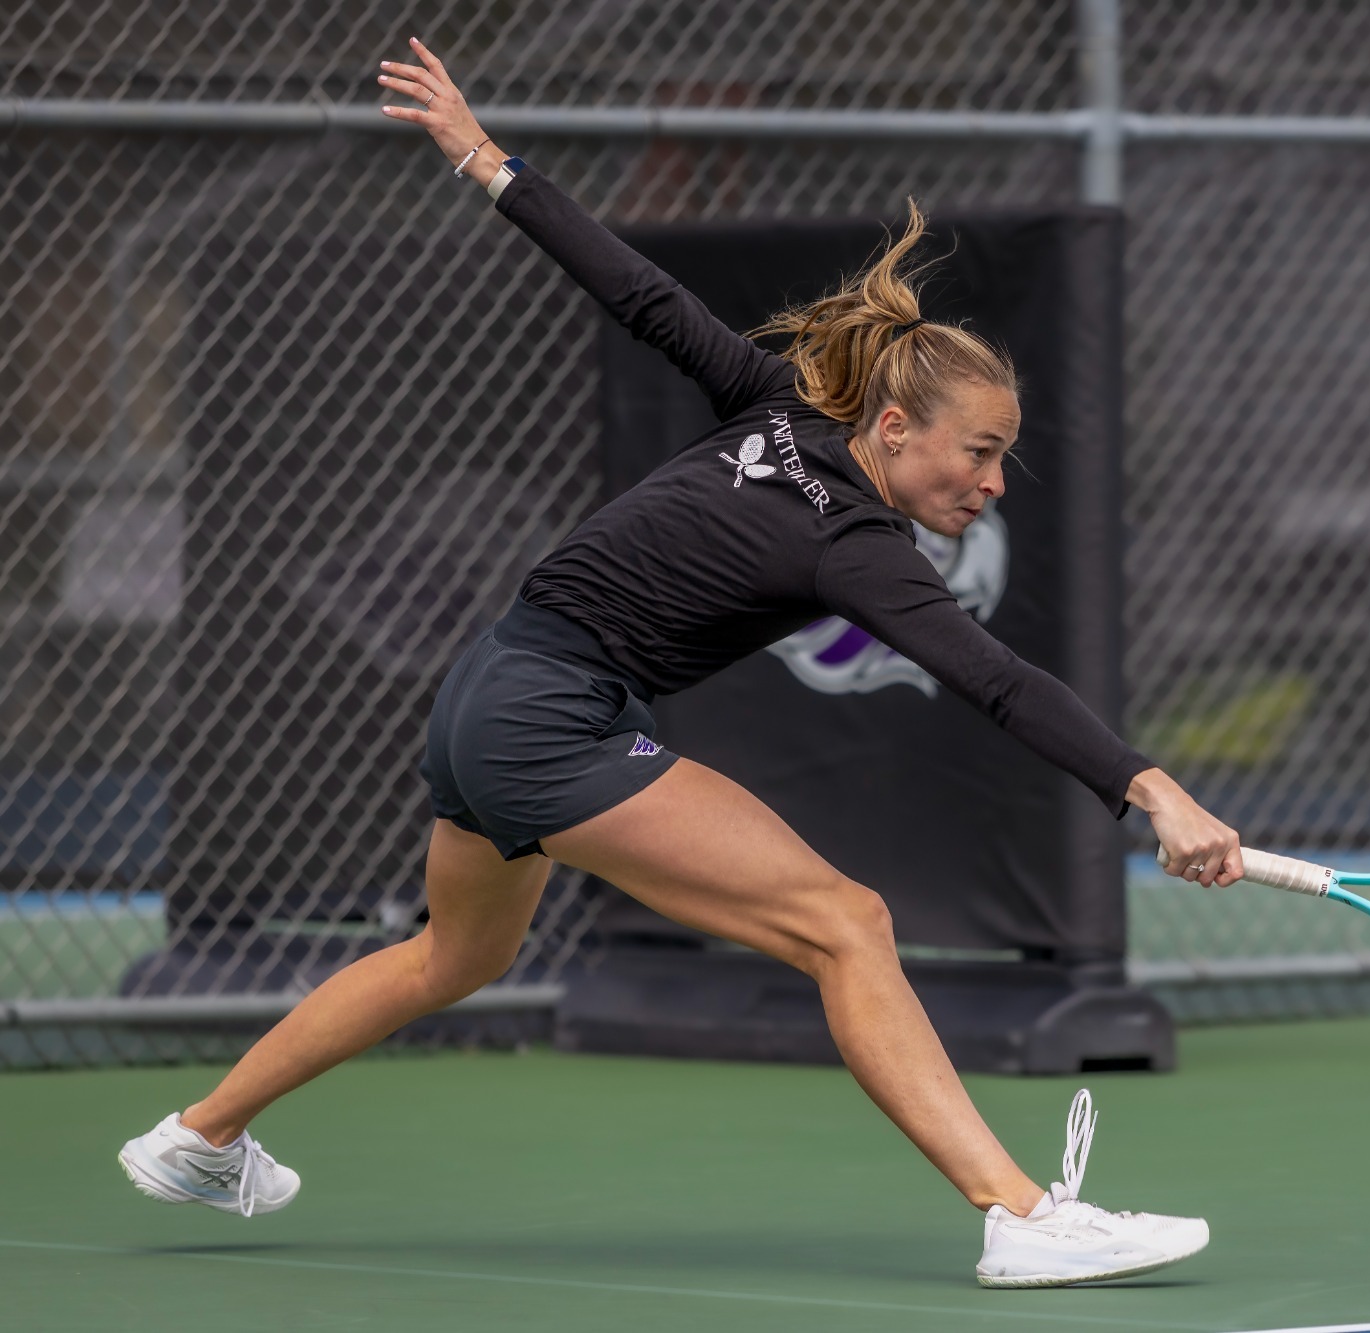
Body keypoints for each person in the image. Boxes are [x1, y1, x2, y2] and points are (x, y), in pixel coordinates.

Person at [116, 36, 1245, 1290]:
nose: (987, 481)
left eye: (1002, 460)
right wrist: (1153, 790)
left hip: (486, 694)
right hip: (550, 715)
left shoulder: (773, 410)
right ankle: (1018, 1213)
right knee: (846, 921)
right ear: (889, 426)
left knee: (458, 957)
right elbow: (997, 679)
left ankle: (197, 1137)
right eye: (973, 452)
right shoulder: (856, 541)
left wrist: (485, 159)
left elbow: (644, 296)